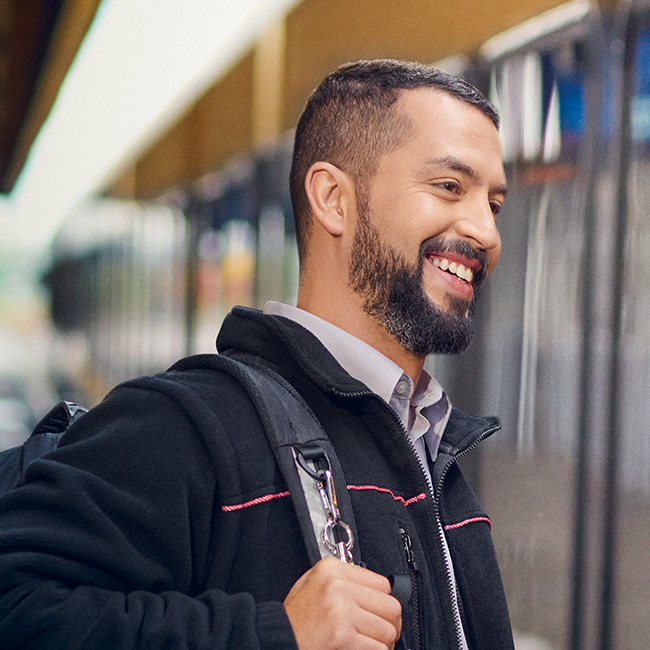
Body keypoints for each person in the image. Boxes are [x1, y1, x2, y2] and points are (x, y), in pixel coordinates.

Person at [0, 59, 513, 650]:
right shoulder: (191, 426)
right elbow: (16, 603)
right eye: (449, 187)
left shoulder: (435, 453)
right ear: (332, 199)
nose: (485, 231)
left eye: (494, 204)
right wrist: (273, 635)